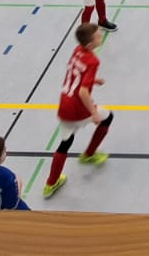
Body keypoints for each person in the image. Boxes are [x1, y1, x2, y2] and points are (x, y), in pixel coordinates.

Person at [42, 23, 114, 198]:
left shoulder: (77, 51)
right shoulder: (93, 60)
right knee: (107, 117)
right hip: (78, 109)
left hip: (64, 105)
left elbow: (76, 73)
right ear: (90, 44)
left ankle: (51, 183)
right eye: (98, 36)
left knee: (65, 143)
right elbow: (82, 92)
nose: (101, 36)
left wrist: (93, 80)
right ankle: (89, 155)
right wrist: (94, 113)